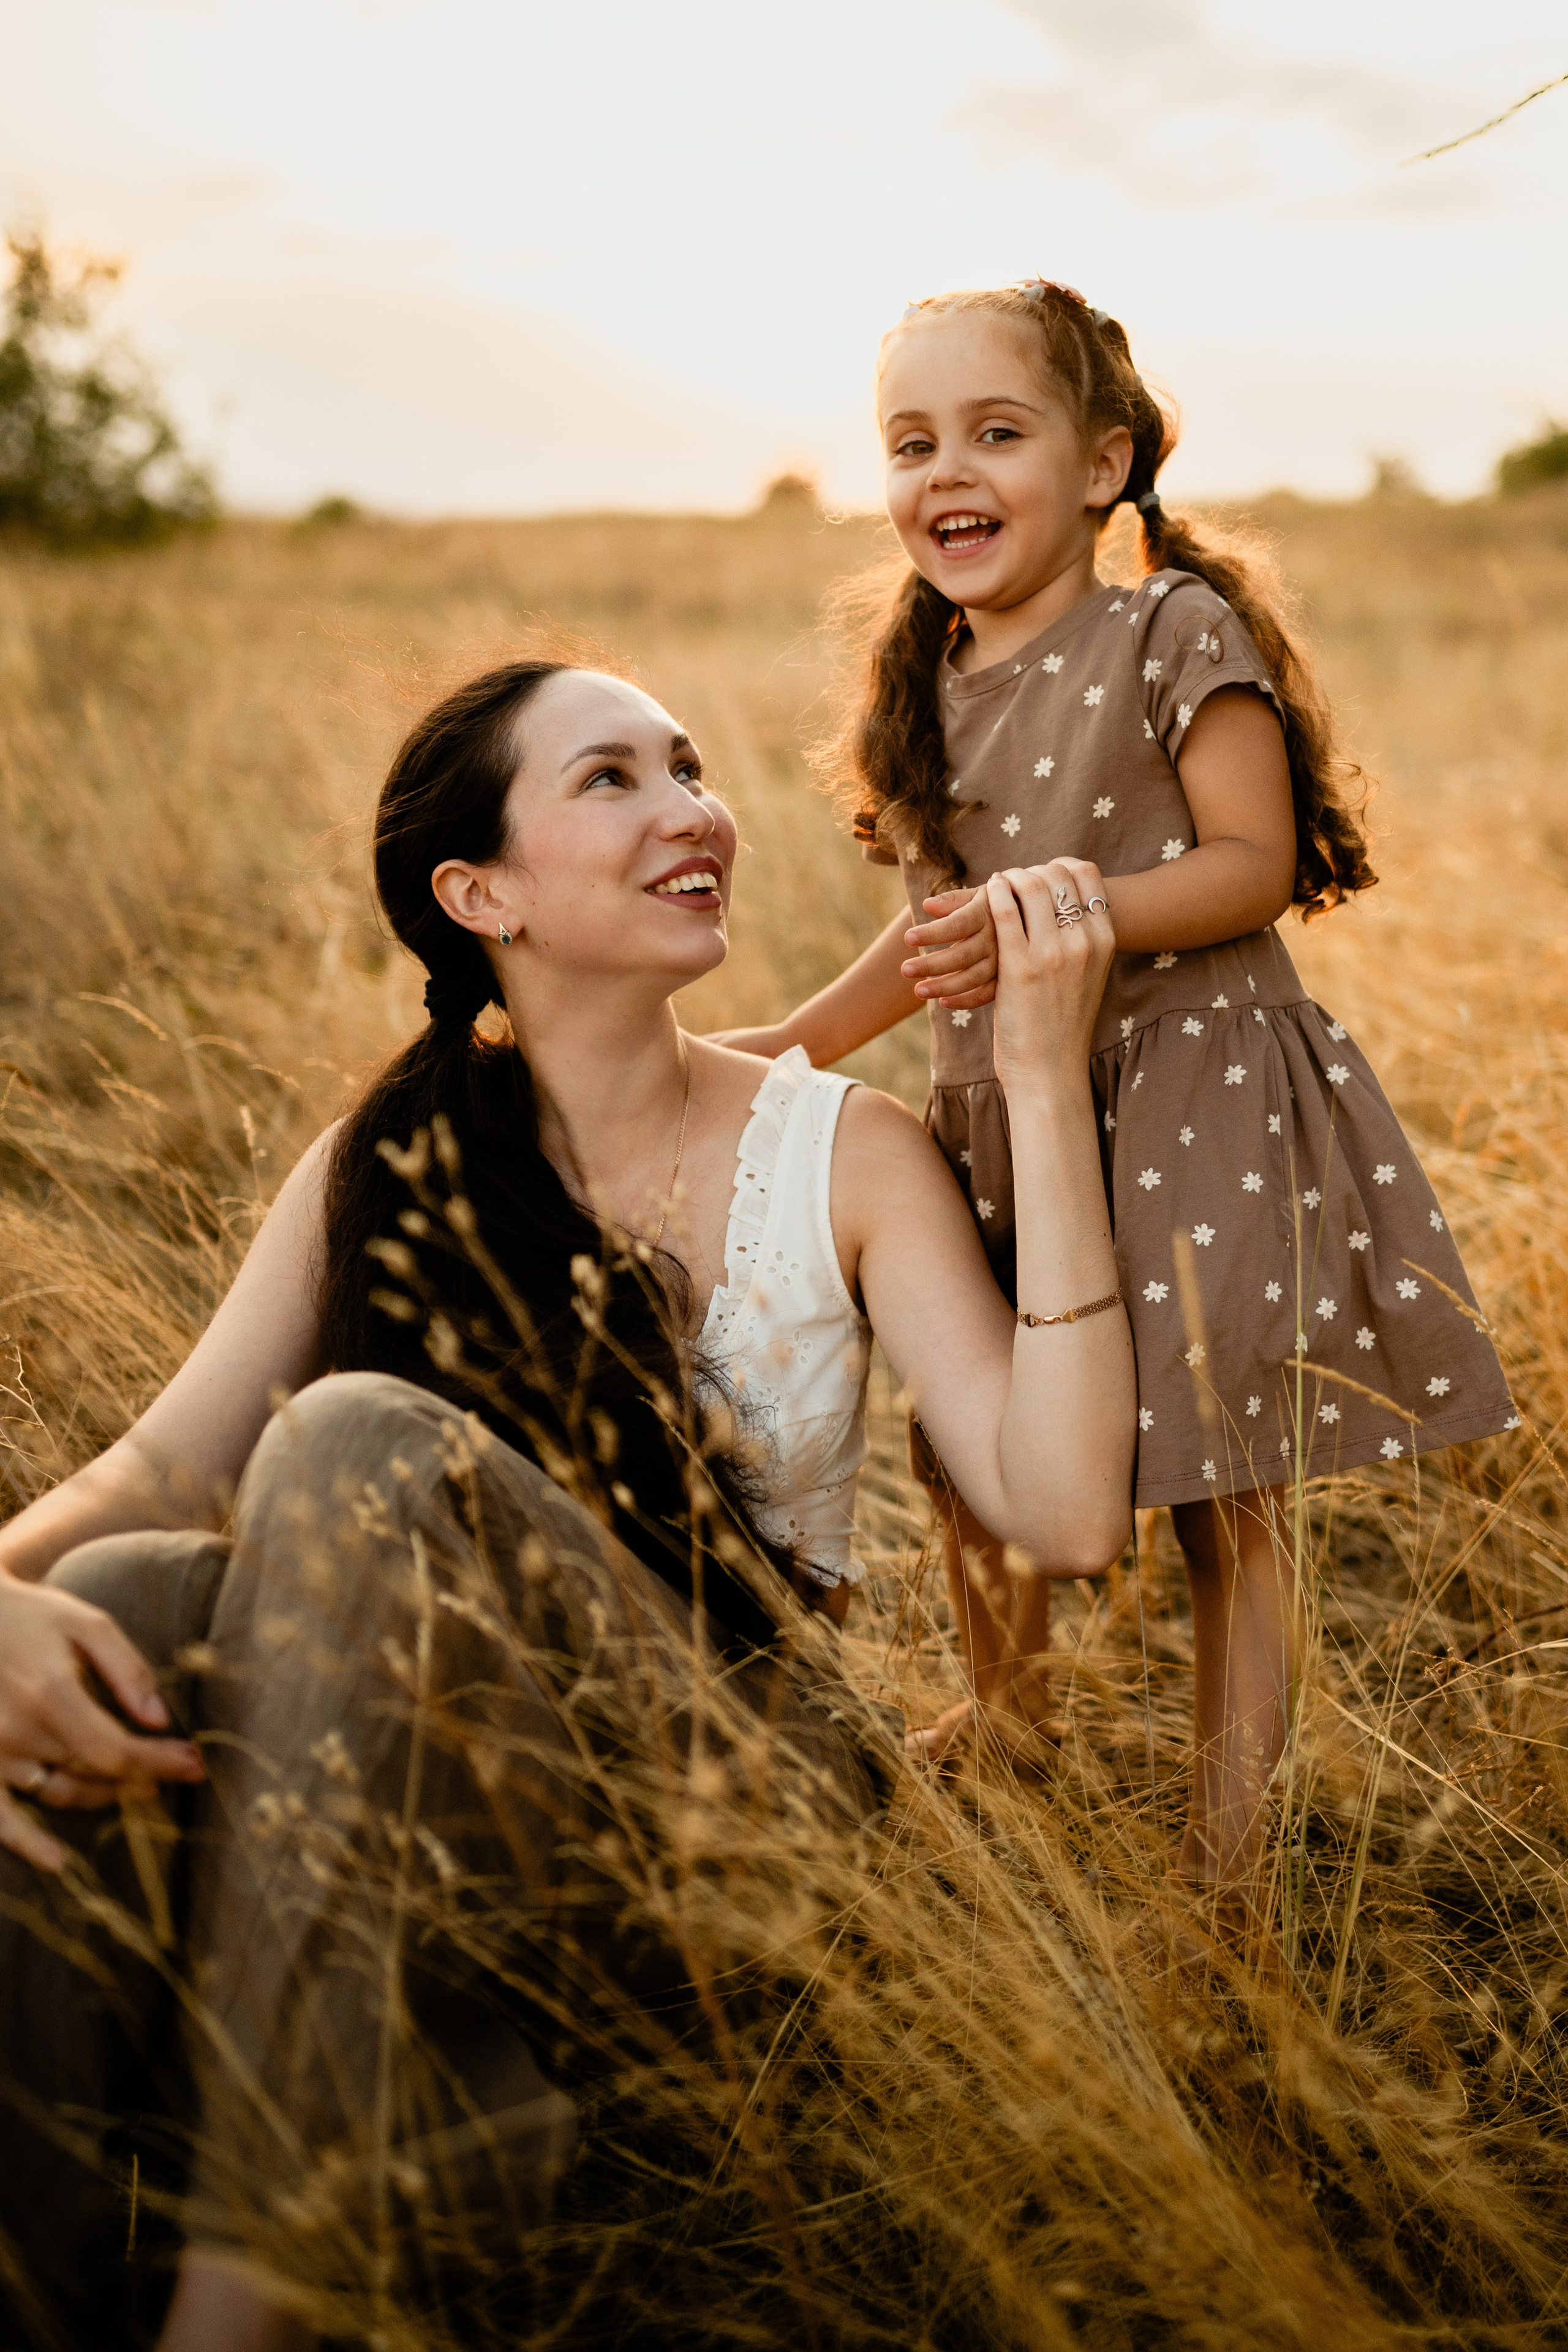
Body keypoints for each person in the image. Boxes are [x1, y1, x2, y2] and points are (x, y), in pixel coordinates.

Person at [0, 656, 1134, 2348]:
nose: (694, 811)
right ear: (484, 896)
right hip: (446, 1780)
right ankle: (58, 2264)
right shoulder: (393, 1152)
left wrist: (1041, 1076)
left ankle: (249, 2299)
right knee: (120, 1602)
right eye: (612, 780)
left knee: (357, 1441)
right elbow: (158, 1470)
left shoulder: (841, 1149)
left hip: (733, 1790)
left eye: (689, 766)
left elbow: (1067, 1514)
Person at [717, 278, 1517, 1887]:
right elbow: (932, 944)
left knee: (1227, 1494)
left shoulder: (1171, 631)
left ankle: (1229, 1863)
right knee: (977, 1444)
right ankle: (1012, 1719)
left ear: (1102, 465)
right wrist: (771, 1052)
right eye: (911, 444)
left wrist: (1058, 918)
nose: (947, 473)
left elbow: (1251, 862)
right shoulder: (924, 679)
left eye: (995, 434)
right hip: (1008, 1126)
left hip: (1191, 1102)